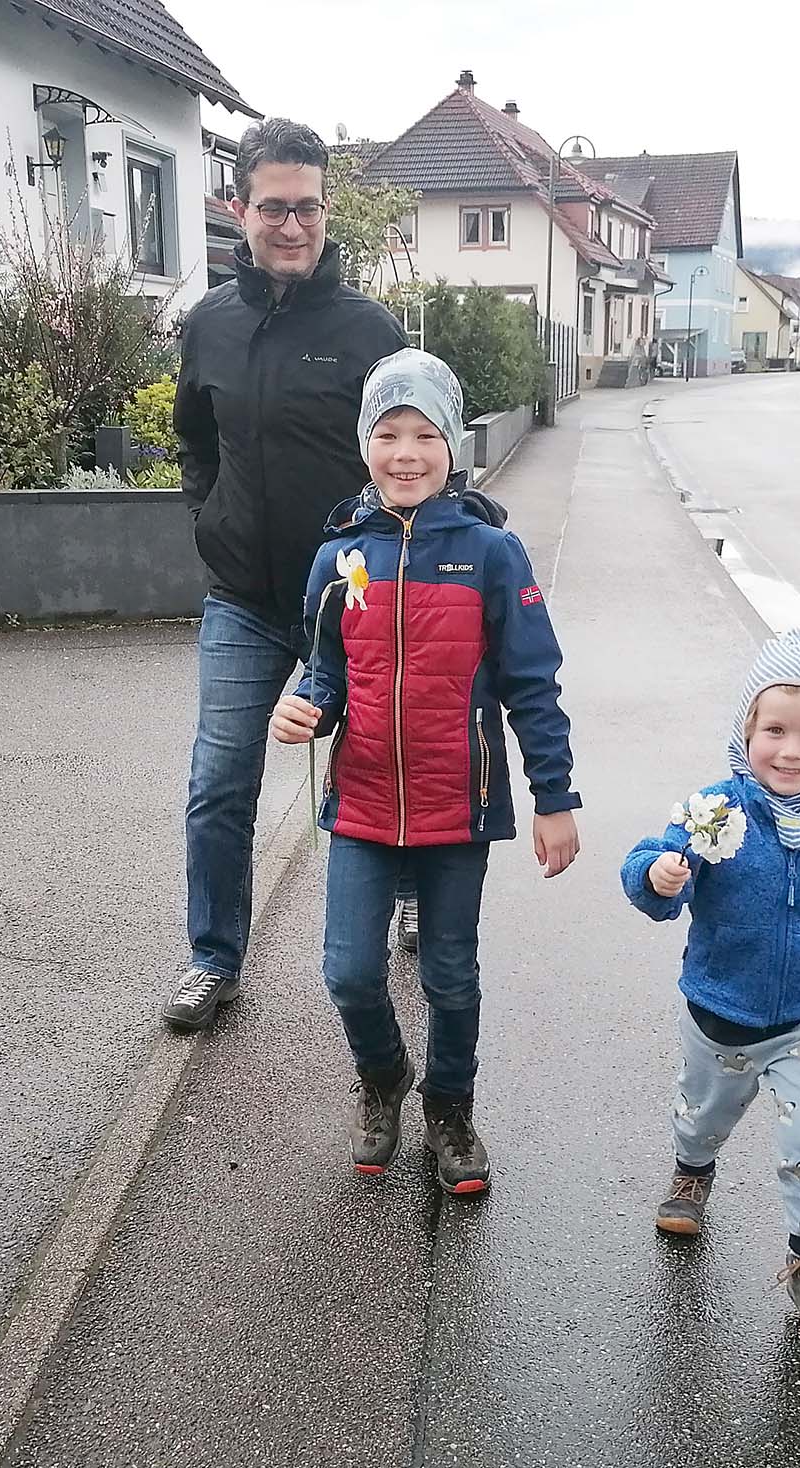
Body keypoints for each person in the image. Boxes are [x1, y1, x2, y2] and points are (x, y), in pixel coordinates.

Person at [269, 348, 580, 1197]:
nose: (405, 452)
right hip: (362, 802)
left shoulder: (491, 555)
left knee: (451, 972)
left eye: (424, 434)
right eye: (386, 433)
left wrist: (556, 799)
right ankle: (383, 1076)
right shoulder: (336, 559)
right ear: (363, 444)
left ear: (453, 445)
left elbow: (532, 686)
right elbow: (325, 670)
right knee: (348, 971)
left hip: (459, 808)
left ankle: (449, 1105)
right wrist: (305, 705)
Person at [166, 117, 411, 1032]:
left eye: (308, 207)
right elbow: (195, 438)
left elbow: (412, 450)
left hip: (353, 596)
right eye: (275, 207)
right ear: (241, 209)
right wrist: (209, 519)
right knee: (220, 781)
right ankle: (212, 960)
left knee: (387, 756)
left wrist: (394, 555)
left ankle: (416, 892)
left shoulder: (369, 329)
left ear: (325, 208)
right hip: (244, 598)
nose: (293, 225)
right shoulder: (210, 325)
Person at [621, 630, 800, 1343]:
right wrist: (659, 878)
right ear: (745, 730)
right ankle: (693, 1171)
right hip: (717, 1008)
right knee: (704, 1117)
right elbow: (651, 862)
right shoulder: (717, 808)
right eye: (774, 730)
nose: (791, 751)